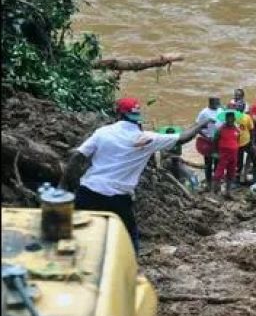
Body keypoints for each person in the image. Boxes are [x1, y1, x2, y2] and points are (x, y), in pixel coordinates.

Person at [61, 97, 209, 252]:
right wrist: (202, 123)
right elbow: (183, 138)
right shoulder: (148, 139)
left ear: (119, 114)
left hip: (88, 192)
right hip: (118, 199)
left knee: (76, 233)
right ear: (138, 117)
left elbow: (77, 157)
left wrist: (63, 186)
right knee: (129, 240)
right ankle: (129, 269)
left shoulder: (102, 133)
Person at [196, 97, 222, 191]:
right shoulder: (204, 113)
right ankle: (208, 184)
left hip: (218, 141)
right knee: (208, 164)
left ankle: (216, 183)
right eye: (217, 103)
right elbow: (197, 127)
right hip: (207, 142)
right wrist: (206, 137)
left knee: (217, 163)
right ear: (211, 103)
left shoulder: (220, 110)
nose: (219, 105)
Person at [213, 110, 240, 198]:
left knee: (231, 172)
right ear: (226, 119)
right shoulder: (220, 129)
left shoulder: (236, 129)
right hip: (224, 154)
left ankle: (228, 192)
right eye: (228, 118)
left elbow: (237, 140)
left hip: (234, 154)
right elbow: (215, 140)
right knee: (219, 172)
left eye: (231, 118)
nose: (230, 120)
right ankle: (216, 191)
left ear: (234, 119)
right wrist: (216, 152)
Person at [232, 100, 256, 184]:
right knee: (239, 163)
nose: (239, 107)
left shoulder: (247, 117)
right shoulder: (232, 117)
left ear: (243, 108)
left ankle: (255, 178)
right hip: (236, 144)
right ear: (235, 107)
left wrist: (252, 142)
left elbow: (252, 130)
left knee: (254, 159)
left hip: (247, 142)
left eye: (241, 106)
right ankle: (237, 180)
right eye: (238, 106)